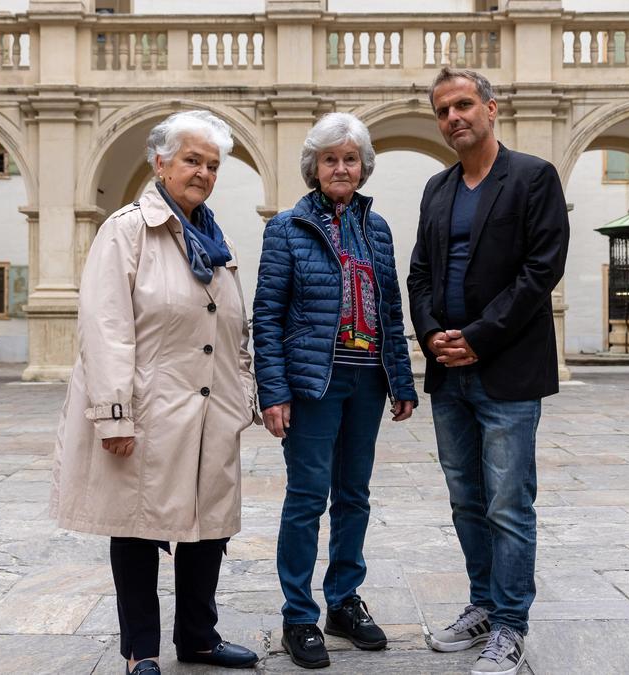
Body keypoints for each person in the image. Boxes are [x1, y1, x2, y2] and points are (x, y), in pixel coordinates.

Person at [51, 110, 260, 675]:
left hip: (209, 409)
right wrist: (114, 415)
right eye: (192, 160)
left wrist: (243, 396)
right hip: (148, 408)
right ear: (160, 162)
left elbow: (233, 325)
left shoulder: (215, 237)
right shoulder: (126, 229)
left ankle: (199, 639)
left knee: (206, 529)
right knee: (138, 529)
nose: (203, 173)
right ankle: (140, 650)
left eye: (213, 165)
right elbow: (105, 327)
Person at [407, 68, 569, 675]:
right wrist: (431, 335)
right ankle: (481, 603)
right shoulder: (437, 189)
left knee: (508, 502)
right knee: (466, 499)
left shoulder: (532, 178)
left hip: (506, 370)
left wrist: (478, 338)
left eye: (465, 104)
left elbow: (541, 271)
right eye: (444, 109)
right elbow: (420, 273)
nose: (454, 117)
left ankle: (509, 624)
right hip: (449, 373)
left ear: (491, 108)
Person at [253, 112, 418, 669]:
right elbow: (267, 316)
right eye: (330, 159)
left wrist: (402, 378)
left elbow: (391, 310)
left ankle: (343, 601)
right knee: (306, 499)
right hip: (312, 386)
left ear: (363, 167)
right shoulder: (286, 228)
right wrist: (272, 392)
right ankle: (299, 614)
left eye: (350, 159)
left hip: (367, 380)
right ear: (314, 168)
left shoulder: (378, 229)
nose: (341, 167)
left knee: (354, 497)